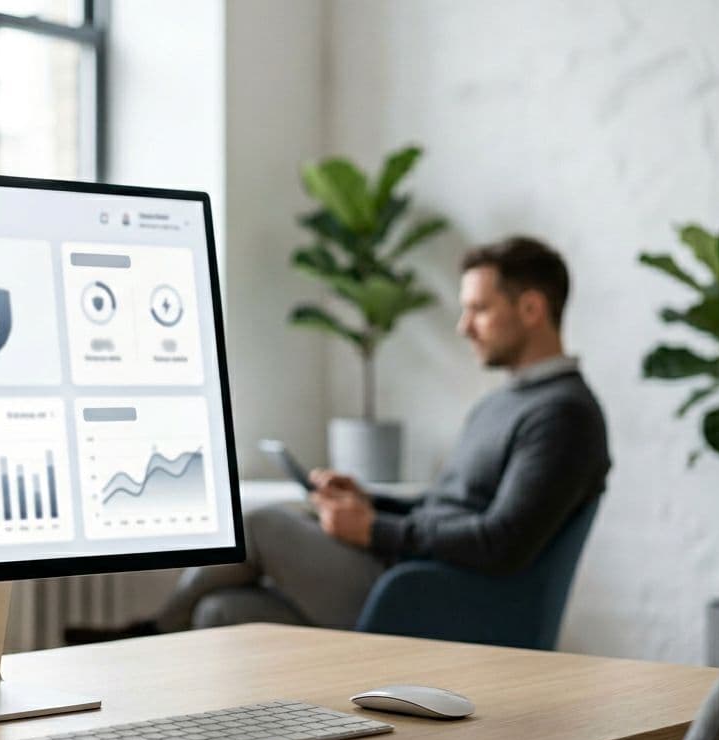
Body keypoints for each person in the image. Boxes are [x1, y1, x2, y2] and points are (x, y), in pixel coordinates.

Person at [66, 236, 611, 643]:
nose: (463, 325)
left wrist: (375, 529)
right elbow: (451, 508)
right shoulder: (505, 402)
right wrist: (370, 502)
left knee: (257, 523)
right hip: (408, 573)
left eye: (479, 309)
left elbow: (502, 541)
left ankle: (146, 636)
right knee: (221, 614)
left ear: (532, 308)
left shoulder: (563, 415)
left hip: (434, 598)